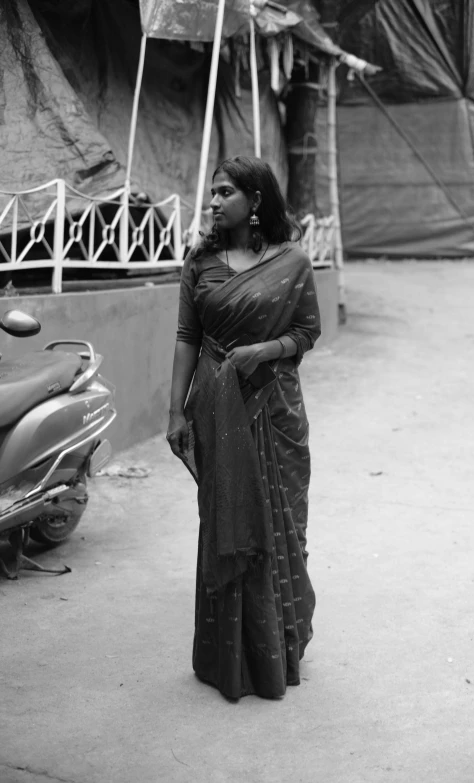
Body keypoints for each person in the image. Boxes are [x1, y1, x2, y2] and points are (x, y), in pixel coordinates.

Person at [167, 155, 321, 700]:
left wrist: (264, 350)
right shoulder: (200, 262)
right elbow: (188, 336)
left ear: (255, 202)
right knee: (224, 521)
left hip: (273, 408)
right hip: (216, 405)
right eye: (211, 192)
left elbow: (306, 332)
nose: (212, 202)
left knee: (278, 525)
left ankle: (278, 643)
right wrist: (175, 410)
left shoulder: (292, 261)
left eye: (224, 192)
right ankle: (224, 657)